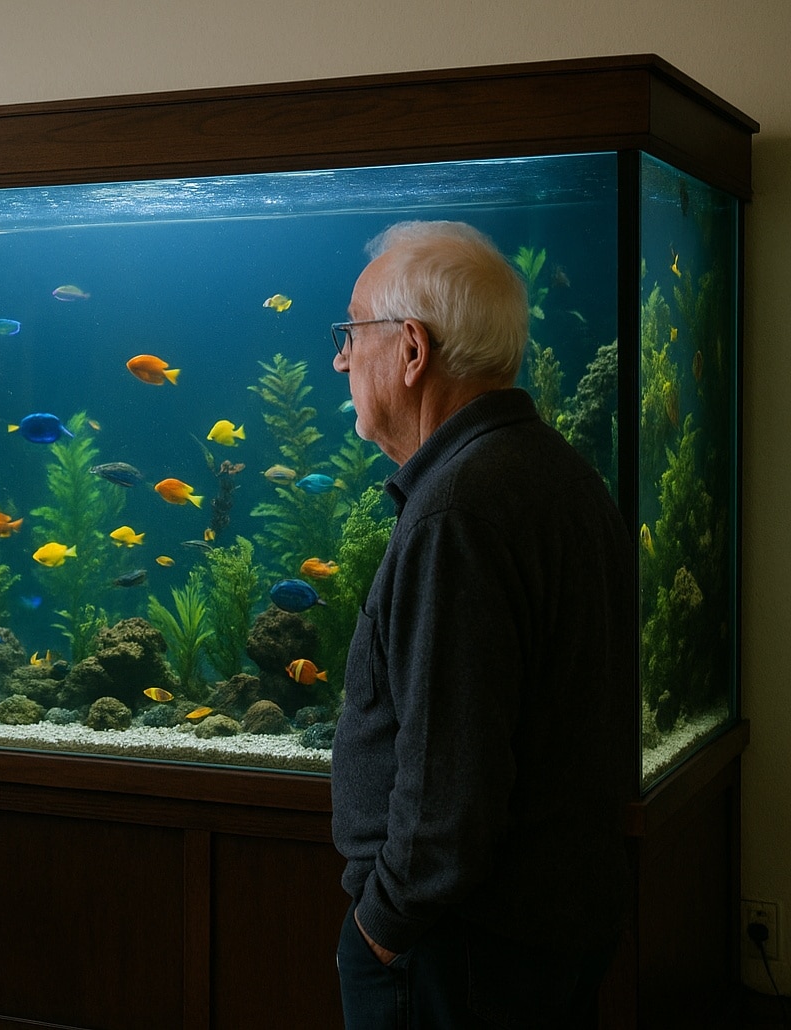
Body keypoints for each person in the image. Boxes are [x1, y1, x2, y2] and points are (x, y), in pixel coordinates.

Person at [329, 220, 634, 1029]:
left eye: (351, 332)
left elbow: (445, 788)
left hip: (457, 954)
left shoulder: (457, 514)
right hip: (547, 934)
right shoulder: (561, 476)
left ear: (412, 350)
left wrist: (380, 932)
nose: (340, 358)